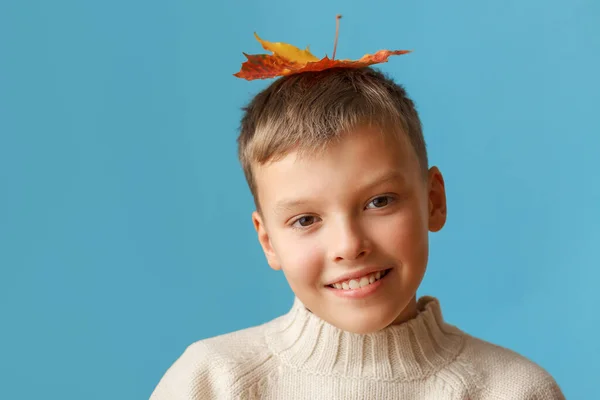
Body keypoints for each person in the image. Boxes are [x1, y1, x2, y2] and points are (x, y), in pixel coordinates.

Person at [149, 67, 565, 399]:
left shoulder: (515, 390)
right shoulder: (210, 382)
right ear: (268, 241)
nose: (349, 246)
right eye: (306, 220)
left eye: (379, 201)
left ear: (433, 200)